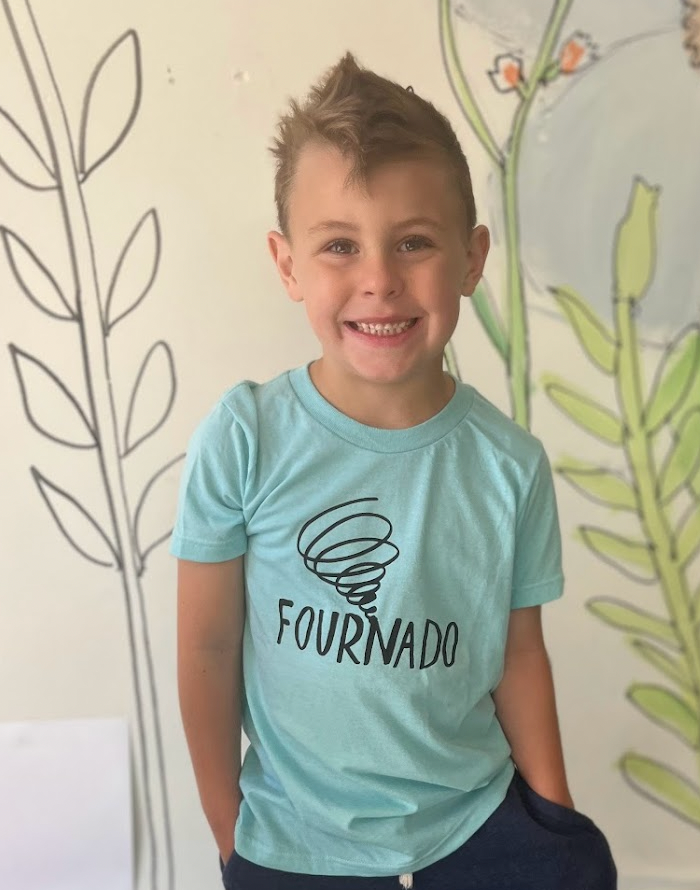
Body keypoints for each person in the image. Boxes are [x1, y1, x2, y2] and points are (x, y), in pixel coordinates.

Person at [171, 53, 616, 890]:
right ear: (287, 263)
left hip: (473, 818)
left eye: (413, 242)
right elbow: (207, 643)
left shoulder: (508, 465)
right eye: (340, 245)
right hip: (293, 835)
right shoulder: (245, 437)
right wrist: (225, 821)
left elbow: (520, 653)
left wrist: (554, 814)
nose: (378, 279)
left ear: (472, 259)